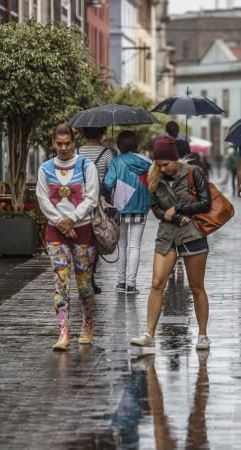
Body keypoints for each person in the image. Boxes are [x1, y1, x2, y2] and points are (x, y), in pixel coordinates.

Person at [131, 136, 212, 350]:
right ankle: (149, 334)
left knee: (196, 287)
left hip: (192, 234)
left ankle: (202, 335)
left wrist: (179, 209)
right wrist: (173, 217)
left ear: (175, 159)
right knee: (157, 283)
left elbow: (206, 203)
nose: (163, 168)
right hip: (167, 235)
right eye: (159, 164)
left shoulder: (193, 172)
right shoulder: (154, 176)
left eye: (166, 164)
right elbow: (156, 208)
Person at [36, 122, 99, 350]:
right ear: (53, 143)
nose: (63, 148)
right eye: (59, 143)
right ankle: (63, 331)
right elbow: (43, 200)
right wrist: (62, 223)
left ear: (74, 142)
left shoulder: (86, 166)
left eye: (68, 143)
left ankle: (87, 323)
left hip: (82, 230)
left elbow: (91, 198)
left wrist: (72, 219)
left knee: (84, 283)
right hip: (56, 231)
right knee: (60, 281)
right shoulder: (45, 169)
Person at [104, 130, 151, 294]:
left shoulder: (116, 161)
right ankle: (132, 284)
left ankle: (121, 282)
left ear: (120, 144)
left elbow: (108, 183)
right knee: (135, 246)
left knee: (121, 245)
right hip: (141, 207)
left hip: (120, 207)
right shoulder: (147, 161)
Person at [78, 126, 113, 294]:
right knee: (96, 237)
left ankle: (83, 275)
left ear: (84, 134)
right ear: (100, 134)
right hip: (99, 200)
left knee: (82, 237)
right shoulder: (106, 153)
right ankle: (90, 277)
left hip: (79, 199)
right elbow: (111, 178)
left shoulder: (77, 151)